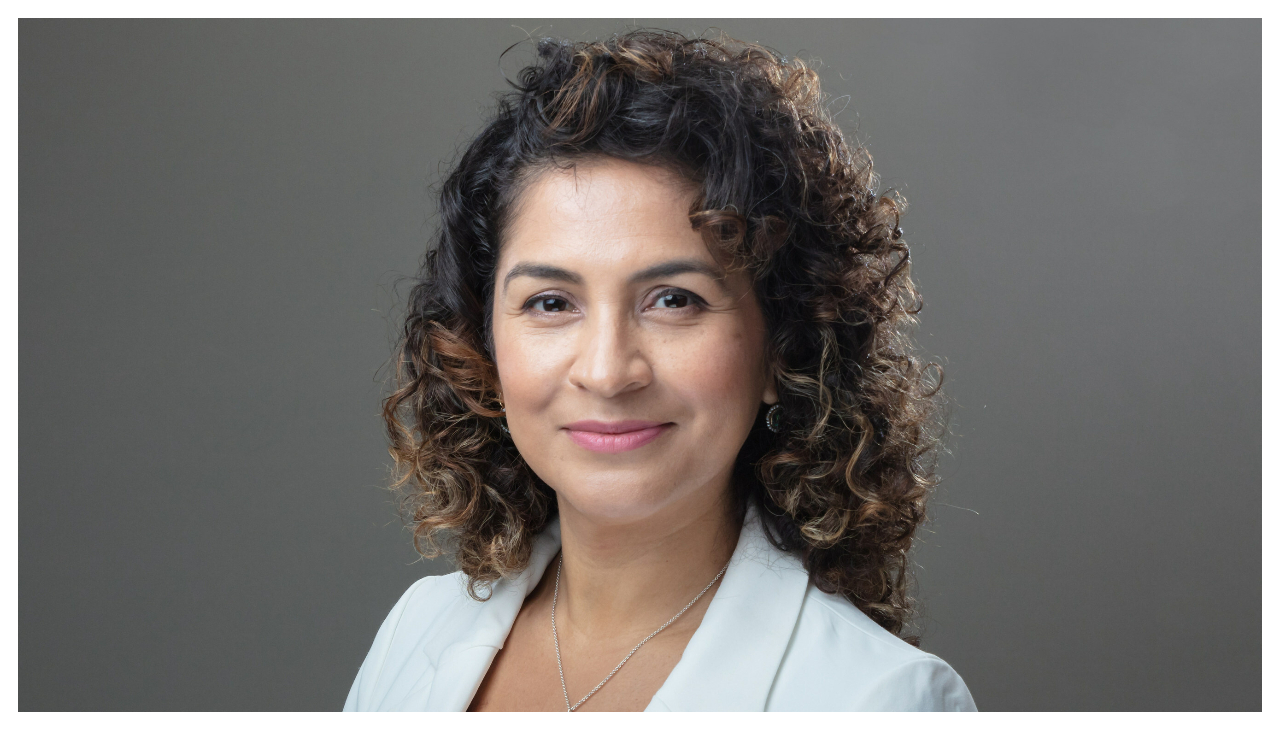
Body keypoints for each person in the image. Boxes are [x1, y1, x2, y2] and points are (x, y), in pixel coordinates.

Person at [344, 29, 976, 712]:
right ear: (484, 348)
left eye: (675, 300)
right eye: (551, 302)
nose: (609, 371)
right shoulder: (415, 634)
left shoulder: (881, 701)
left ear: (784, 347)